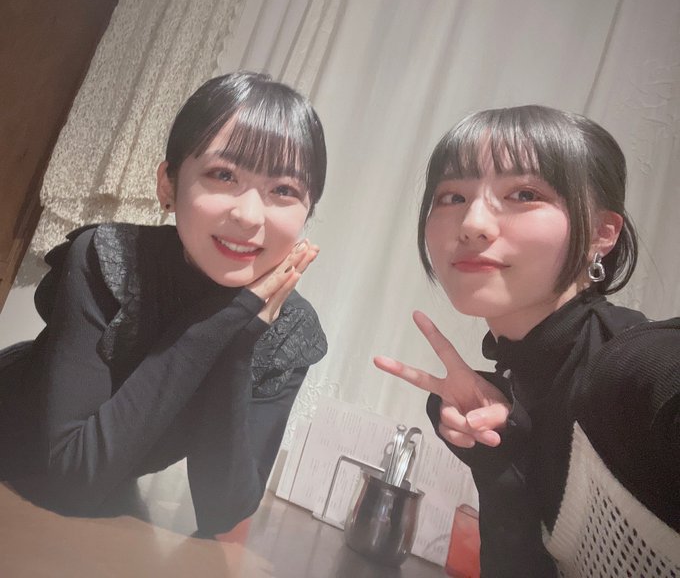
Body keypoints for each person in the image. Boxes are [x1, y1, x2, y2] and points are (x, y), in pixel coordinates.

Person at [0, 71, 328, 538]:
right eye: (223, 175)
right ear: (168, 185)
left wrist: (239, 343)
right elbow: (73, 476)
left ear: (307, 211)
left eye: (284, 191)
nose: (249, 215)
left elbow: (223, 510)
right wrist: (224, 321)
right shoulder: (111, 259)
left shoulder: (287, 327)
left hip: (90, 510)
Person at [374, 105, 680, 577]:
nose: (472, 222)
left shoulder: (638, 366)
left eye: (524, 194)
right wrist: (500, 461)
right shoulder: (519, 385)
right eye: (453, 196)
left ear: (602, 234)